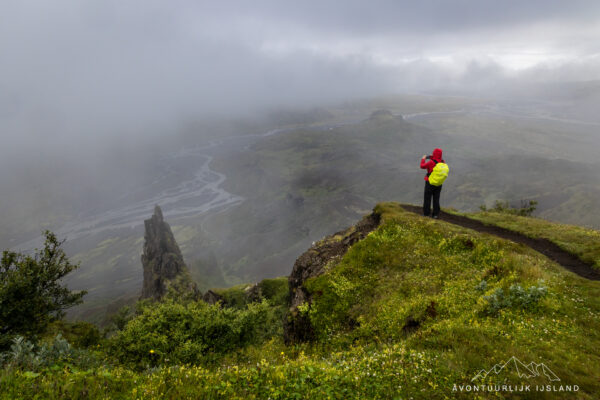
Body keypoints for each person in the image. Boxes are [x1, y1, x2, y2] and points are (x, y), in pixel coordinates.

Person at [420, 148, 446, 219]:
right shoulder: (443, 162)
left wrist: (423, 159)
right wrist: (431, 156)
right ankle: (435, 215)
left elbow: (422, 166)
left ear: (434, 153)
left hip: (430, 182)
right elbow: (437, 159)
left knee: (427, 198)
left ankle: (426, 213)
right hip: (438, 183)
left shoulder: (431, 162)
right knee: (436, 198)